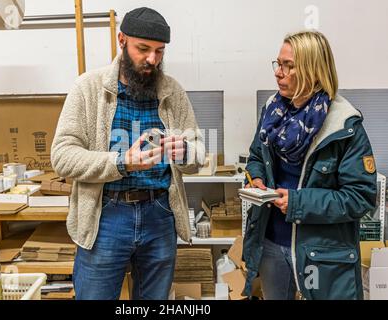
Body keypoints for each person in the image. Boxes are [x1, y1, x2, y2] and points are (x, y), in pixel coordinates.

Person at [51, 7, 204, 300]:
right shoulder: (88, 88)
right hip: (106, 215)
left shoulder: (173, 91)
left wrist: (184, 151)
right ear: (121, 40)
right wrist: (121, 163)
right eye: (143, 49)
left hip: (159, 213)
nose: (152, 59)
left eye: (159, 52)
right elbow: (62, 156)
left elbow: (198, 151)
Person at [242, 31, 377, 300]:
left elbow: (360, 198)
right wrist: (256, 178)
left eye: (288, 66)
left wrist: (297, 203)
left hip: (321, 255)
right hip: (271, 245)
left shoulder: (343, 126)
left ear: (314, 70)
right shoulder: (272, 111)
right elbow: (257, 155)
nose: (278, 73)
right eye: (278, 64)